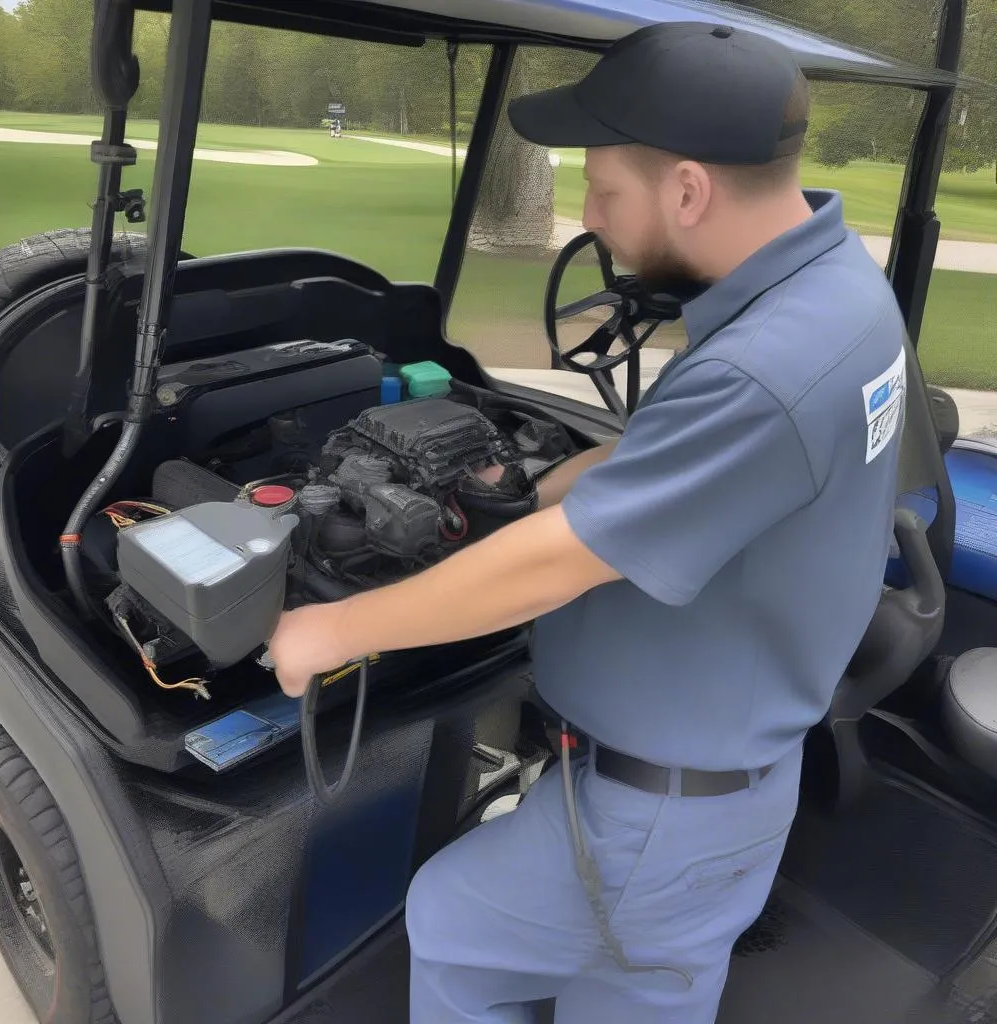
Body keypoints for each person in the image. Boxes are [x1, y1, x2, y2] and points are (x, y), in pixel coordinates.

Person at [268, 21, 908, 1024]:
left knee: (449, 922)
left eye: (602, 190)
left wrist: (328, 631)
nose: (590, 217)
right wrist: (600, 466)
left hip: (659, 818)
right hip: (731, 783)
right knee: (641, 991)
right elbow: (740, 451)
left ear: (687, 189)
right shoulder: (833, 291)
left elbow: (550, 567)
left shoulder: (763, 369)